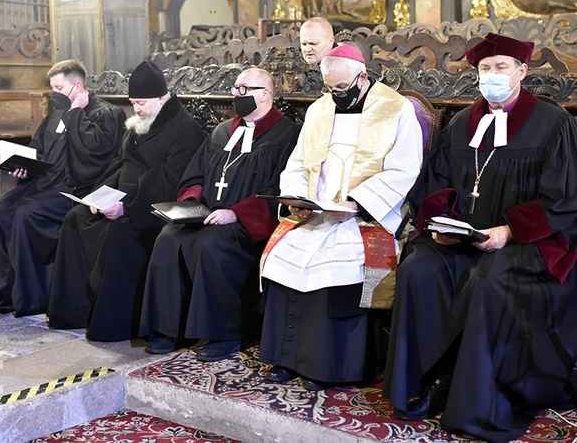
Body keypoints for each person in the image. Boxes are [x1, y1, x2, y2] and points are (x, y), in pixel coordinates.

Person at [383, 33, 577, 442]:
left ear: (521, 72)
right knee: (419, 268)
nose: (492, 75)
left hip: (530, 243)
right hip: (466, 238)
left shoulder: (553, 123)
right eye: (484, 68)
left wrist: (509, 230)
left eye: (501, 68)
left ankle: (477, 400)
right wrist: (443, 224)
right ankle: (426, 380)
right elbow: (436, 185)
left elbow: (564, 199)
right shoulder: (462, 124)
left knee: (488, 279)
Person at [258, 44, 423, 390]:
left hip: (366, 216)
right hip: (318, 211)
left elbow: (405, 169)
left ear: (363, 78)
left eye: (343, 89)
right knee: (285, 254)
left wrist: (357, 203)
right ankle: (287, 358)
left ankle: (327, 366)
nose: (336, 96)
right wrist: (296, 199)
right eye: (330, 89)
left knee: (335, 263)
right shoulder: (320, 109)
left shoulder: (397, 109)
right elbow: (297, 162)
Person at [138, 67, 300, 362]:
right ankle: (170, 328)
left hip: (248, 225)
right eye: (235, 88)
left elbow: (279, 188)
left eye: (243, 89)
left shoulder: (286, 133)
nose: (236, 94)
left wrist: (236, 213)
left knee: (211, 245)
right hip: (206, 216)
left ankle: (224, 332)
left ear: (265, 95)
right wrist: (190, 203)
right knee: (168, 237)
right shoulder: (222, 130)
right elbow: (194, 175)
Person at [46, 60, 206, 341]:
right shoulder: (141, 122)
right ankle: (75, 311)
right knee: (76, 218)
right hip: (123, 200)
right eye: (133, 102)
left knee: (120, 232)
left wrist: (127, 207)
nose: (136, 109)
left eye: (141, 103)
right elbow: (122, 165)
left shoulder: (184, 129)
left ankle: (115, 324)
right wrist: (97, 197)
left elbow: (169, 182)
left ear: (160, 97)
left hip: (151, 210)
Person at [0, 59, 124, 316]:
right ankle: (6, 294)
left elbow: (95, 157)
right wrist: (24, 167)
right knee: (2, 210)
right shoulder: (55, 116)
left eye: (58, 88)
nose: (53, 94)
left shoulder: (105, 114)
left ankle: (31, 298)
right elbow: (38, 151)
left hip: (77, 189)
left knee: (27, 213)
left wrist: (75, 114)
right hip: (44, 183)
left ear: (77, 87)